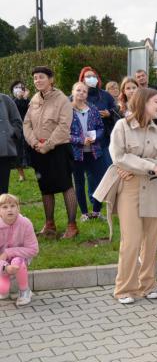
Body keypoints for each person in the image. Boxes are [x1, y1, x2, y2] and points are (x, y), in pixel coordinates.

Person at [93, 87, 157, 304]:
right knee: (132, 240)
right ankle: (124, 288)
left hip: (153, 188)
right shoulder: (122, 126)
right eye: (156, 102)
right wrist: (148, 166)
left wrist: (151, 167)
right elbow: (118, 156)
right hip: (130, 188)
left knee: (151, 239)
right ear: (144, 103)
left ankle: (148, 285)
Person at [23, 66, 79, 239]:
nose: (37, 81)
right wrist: (33, 142)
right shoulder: (34, 100)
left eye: (41, 77)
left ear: (51, 79)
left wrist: (47, 145)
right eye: (35, 78)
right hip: (37, 150)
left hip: (58, 150)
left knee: (65, 186)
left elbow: (64, 127)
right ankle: (50, 224)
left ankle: (72, 226)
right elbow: (26, 124)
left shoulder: (62, 99)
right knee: (45, 187)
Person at [69, 82, 106, 221]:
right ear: (73, 92)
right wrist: (80, 140)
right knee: (79, 183)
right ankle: (84, 213)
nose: (81, 93)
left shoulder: (93, 108)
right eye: (78, 90)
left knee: (100, 181)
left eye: (84, 91)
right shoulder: (67, 110)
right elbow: (64, 133)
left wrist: (95, 137)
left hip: (94, 151)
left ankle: (97, 211)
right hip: (77, 154)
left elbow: (101, 127)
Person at [0, 194, 38, 306]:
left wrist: (8, 252)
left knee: (17, 261)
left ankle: (25, 291)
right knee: (2, 290)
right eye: (5, 207)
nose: (9, 209)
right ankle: (4, 286)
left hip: (20, 258)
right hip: (1, 261)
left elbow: (33, 249)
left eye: (12, 206)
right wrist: (5, 267)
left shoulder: (25, 223)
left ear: (18, 208)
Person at [78, 67, 117, 157]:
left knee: (104, 168)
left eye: (93, 76)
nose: (91, 78)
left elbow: (115, 109)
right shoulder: (77, 95)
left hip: (104, 139)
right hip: (83, 139)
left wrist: (109, 113)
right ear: (82, 80)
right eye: (88, 76)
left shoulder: (105, 95)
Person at [0, 91, 22, 194]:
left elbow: (17, 122)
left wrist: (10, 134)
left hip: (3, 153)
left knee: (2, 192)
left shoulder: (5, 99)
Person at [10, 81, 30, 182]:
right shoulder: (10, 100)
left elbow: (29, 109)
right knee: (17, 151)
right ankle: (21, 174)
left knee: (29, 149)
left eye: (21, 87)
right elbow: (14, 109)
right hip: (16, 129)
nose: (19, 89)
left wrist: (25, 98)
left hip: (28, 128)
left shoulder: (28, 100)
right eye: (16, 87)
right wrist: (19, 98)